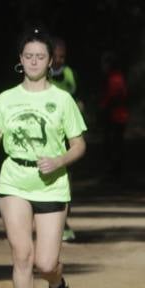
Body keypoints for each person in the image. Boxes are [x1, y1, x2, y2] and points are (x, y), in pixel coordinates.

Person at [0, 29, 87, 288]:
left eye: (40, 56)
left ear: (51, 61)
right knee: (22, 255)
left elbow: (79, 144)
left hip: (52, 186)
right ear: (20, 61)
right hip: (14, 179)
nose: (34, 61)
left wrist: (59, 161)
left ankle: (57, 284)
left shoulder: (62, 99)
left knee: (45, 263)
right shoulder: (5, 99)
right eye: (28, 56)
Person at [48, 38, 80, 242]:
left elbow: (78, 98)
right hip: (46, 133)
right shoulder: (41, 74)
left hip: (65, 133)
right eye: (56, 57)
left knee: (65, 179)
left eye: (62, 57)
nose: (59, 60)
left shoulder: (69, 75)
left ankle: (63, 222)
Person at [98, 51, 129, 180]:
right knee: (116, 144)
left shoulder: (113, 78)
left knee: (113, 145)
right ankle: (115, 171)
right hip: (119, 116)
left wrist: (102, 108)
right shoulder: (119, 76)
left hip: (115, 116)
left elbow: (113, 97)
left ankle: (114, 172)